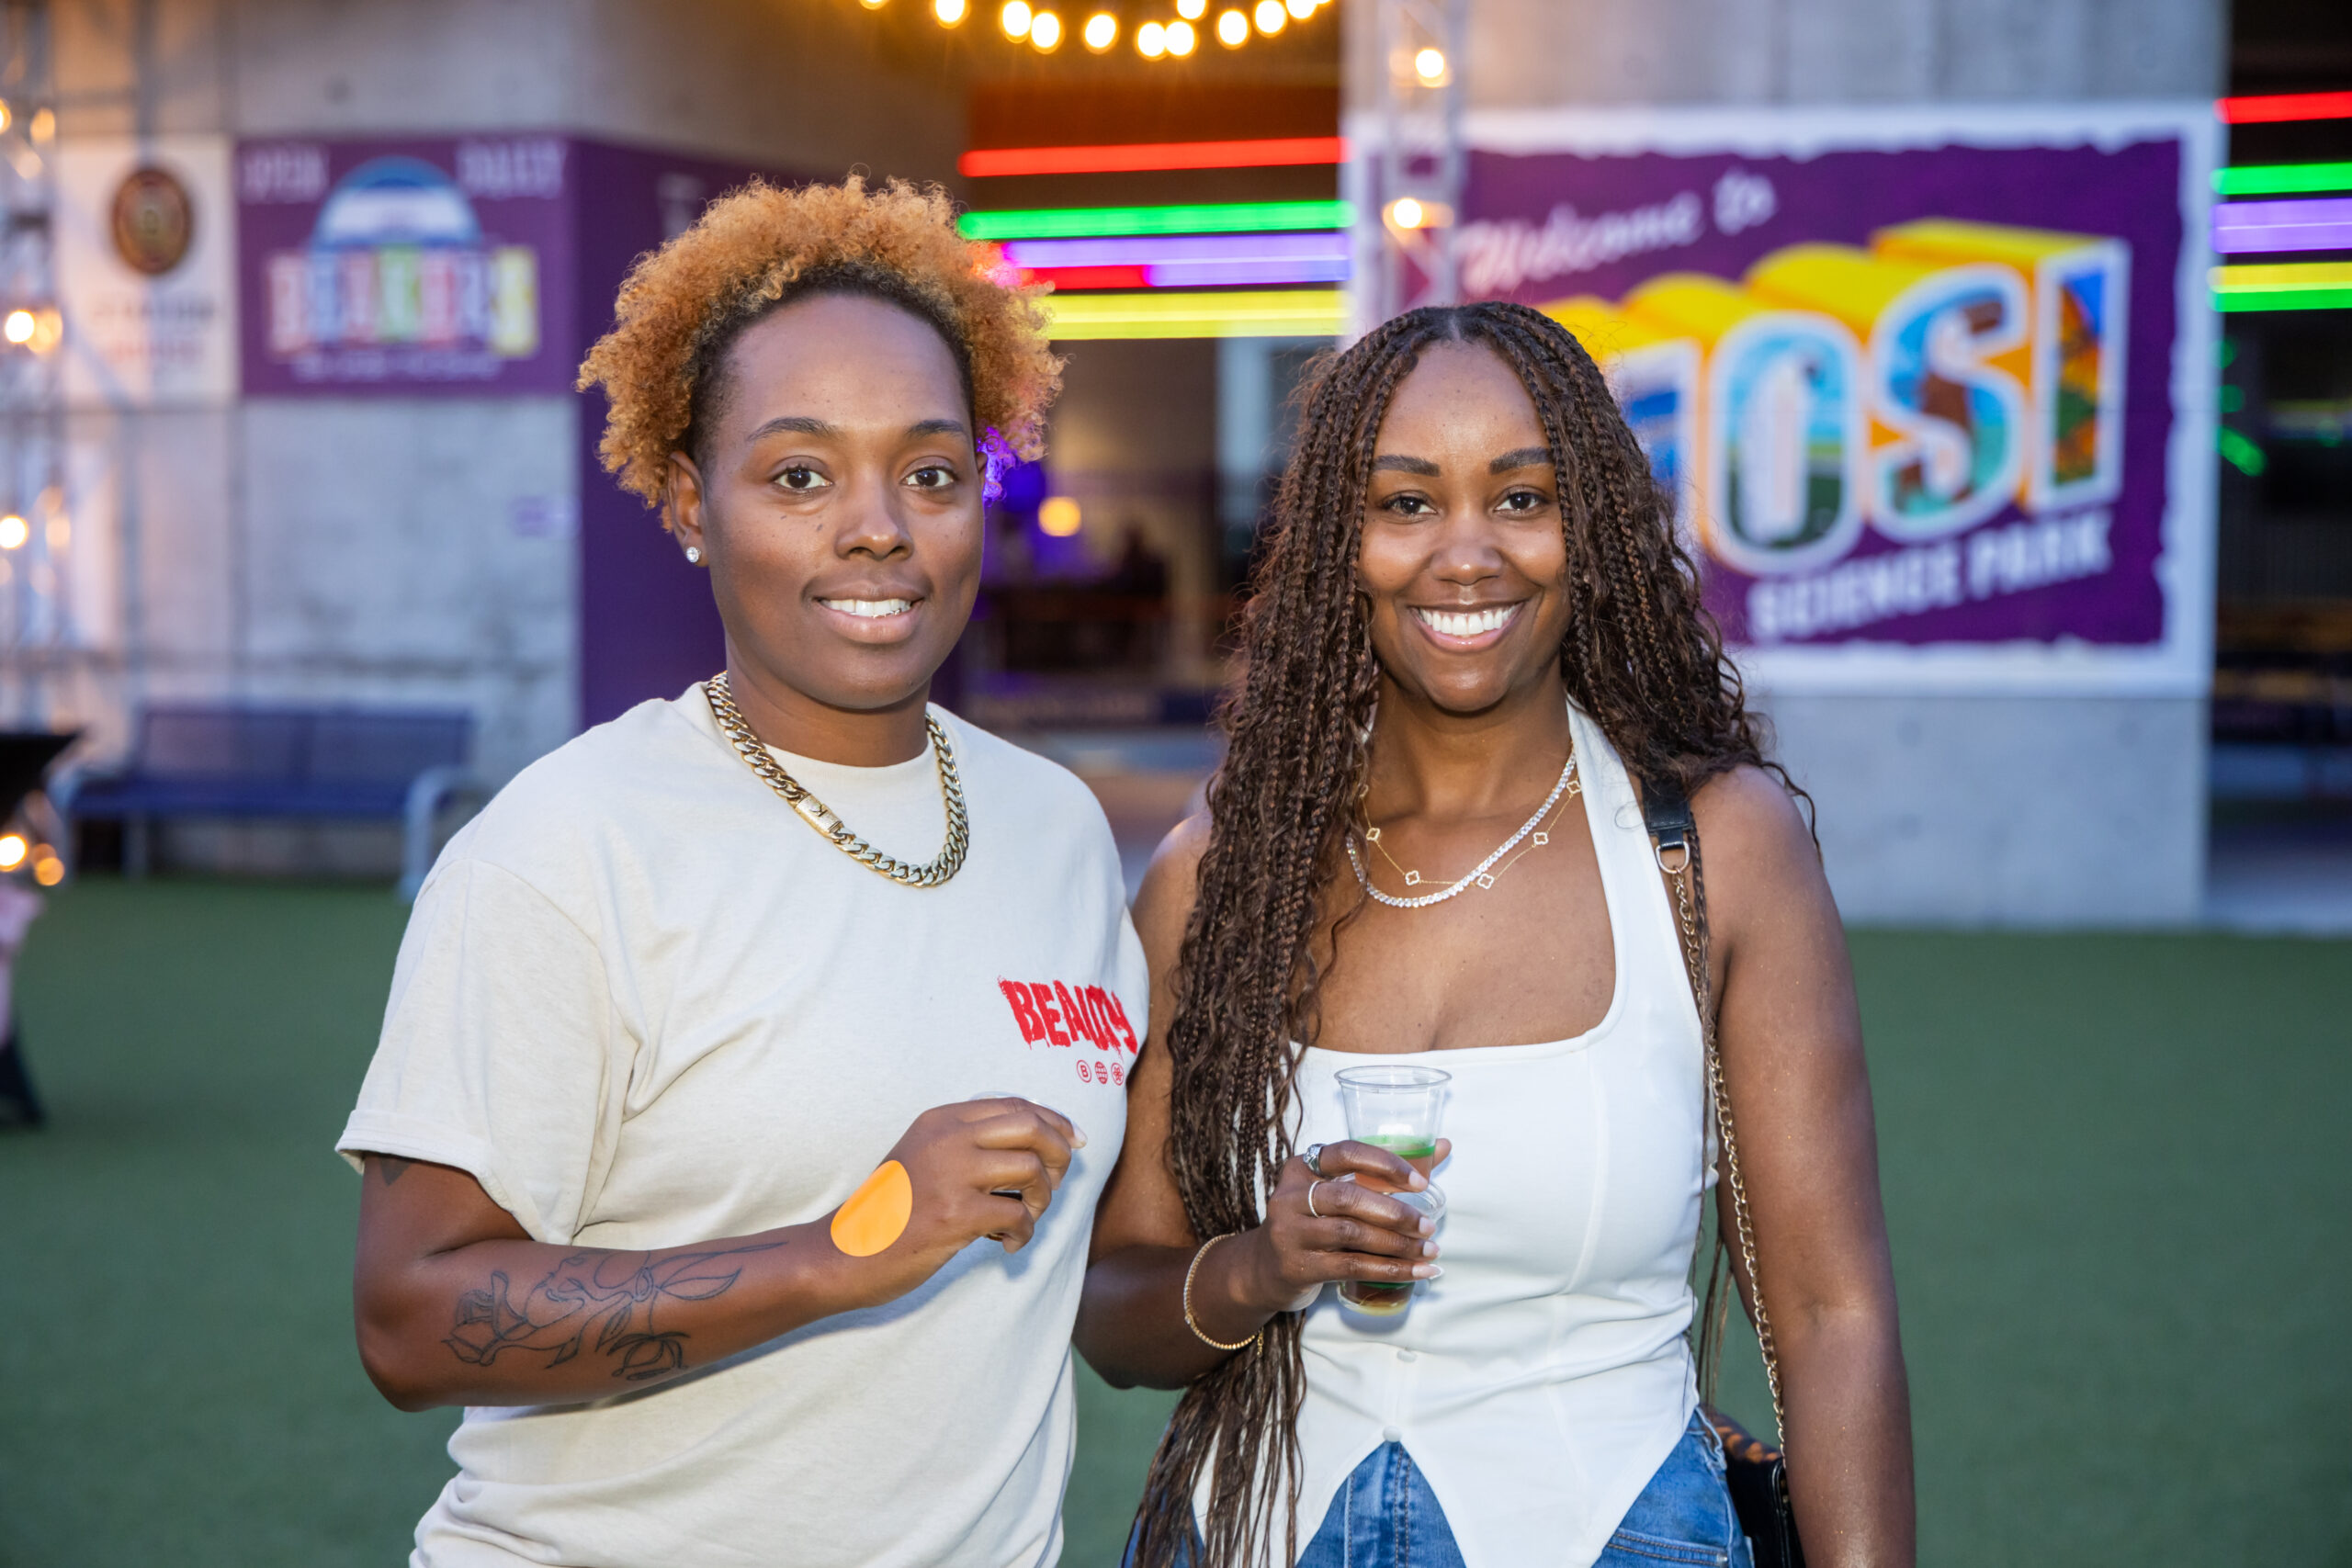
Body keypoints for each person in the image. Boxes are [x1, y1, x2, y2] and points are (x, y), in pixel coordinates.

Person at [339, 177, 1147, 1568]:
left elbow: (1101, 1266)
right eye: (799, 476)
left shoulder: (1057, 830)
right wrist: (834, 1252)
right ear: (688, 503)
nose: (879, 527)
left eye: (932, 473)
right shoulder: (568, 847)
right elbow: (411, 1319)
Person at [1080, 301, 1914, 1568]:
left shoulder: (1715, 849)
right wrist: (1261, 1267)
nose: (1465, 554)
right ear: (1338, 543)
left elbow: (1828, 1311)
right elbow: (1113, 1308)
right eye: (1406, 503)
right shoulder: (1219, 871)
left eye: (1522, 499)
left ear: (1594, 532)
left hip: (1615, 1528)